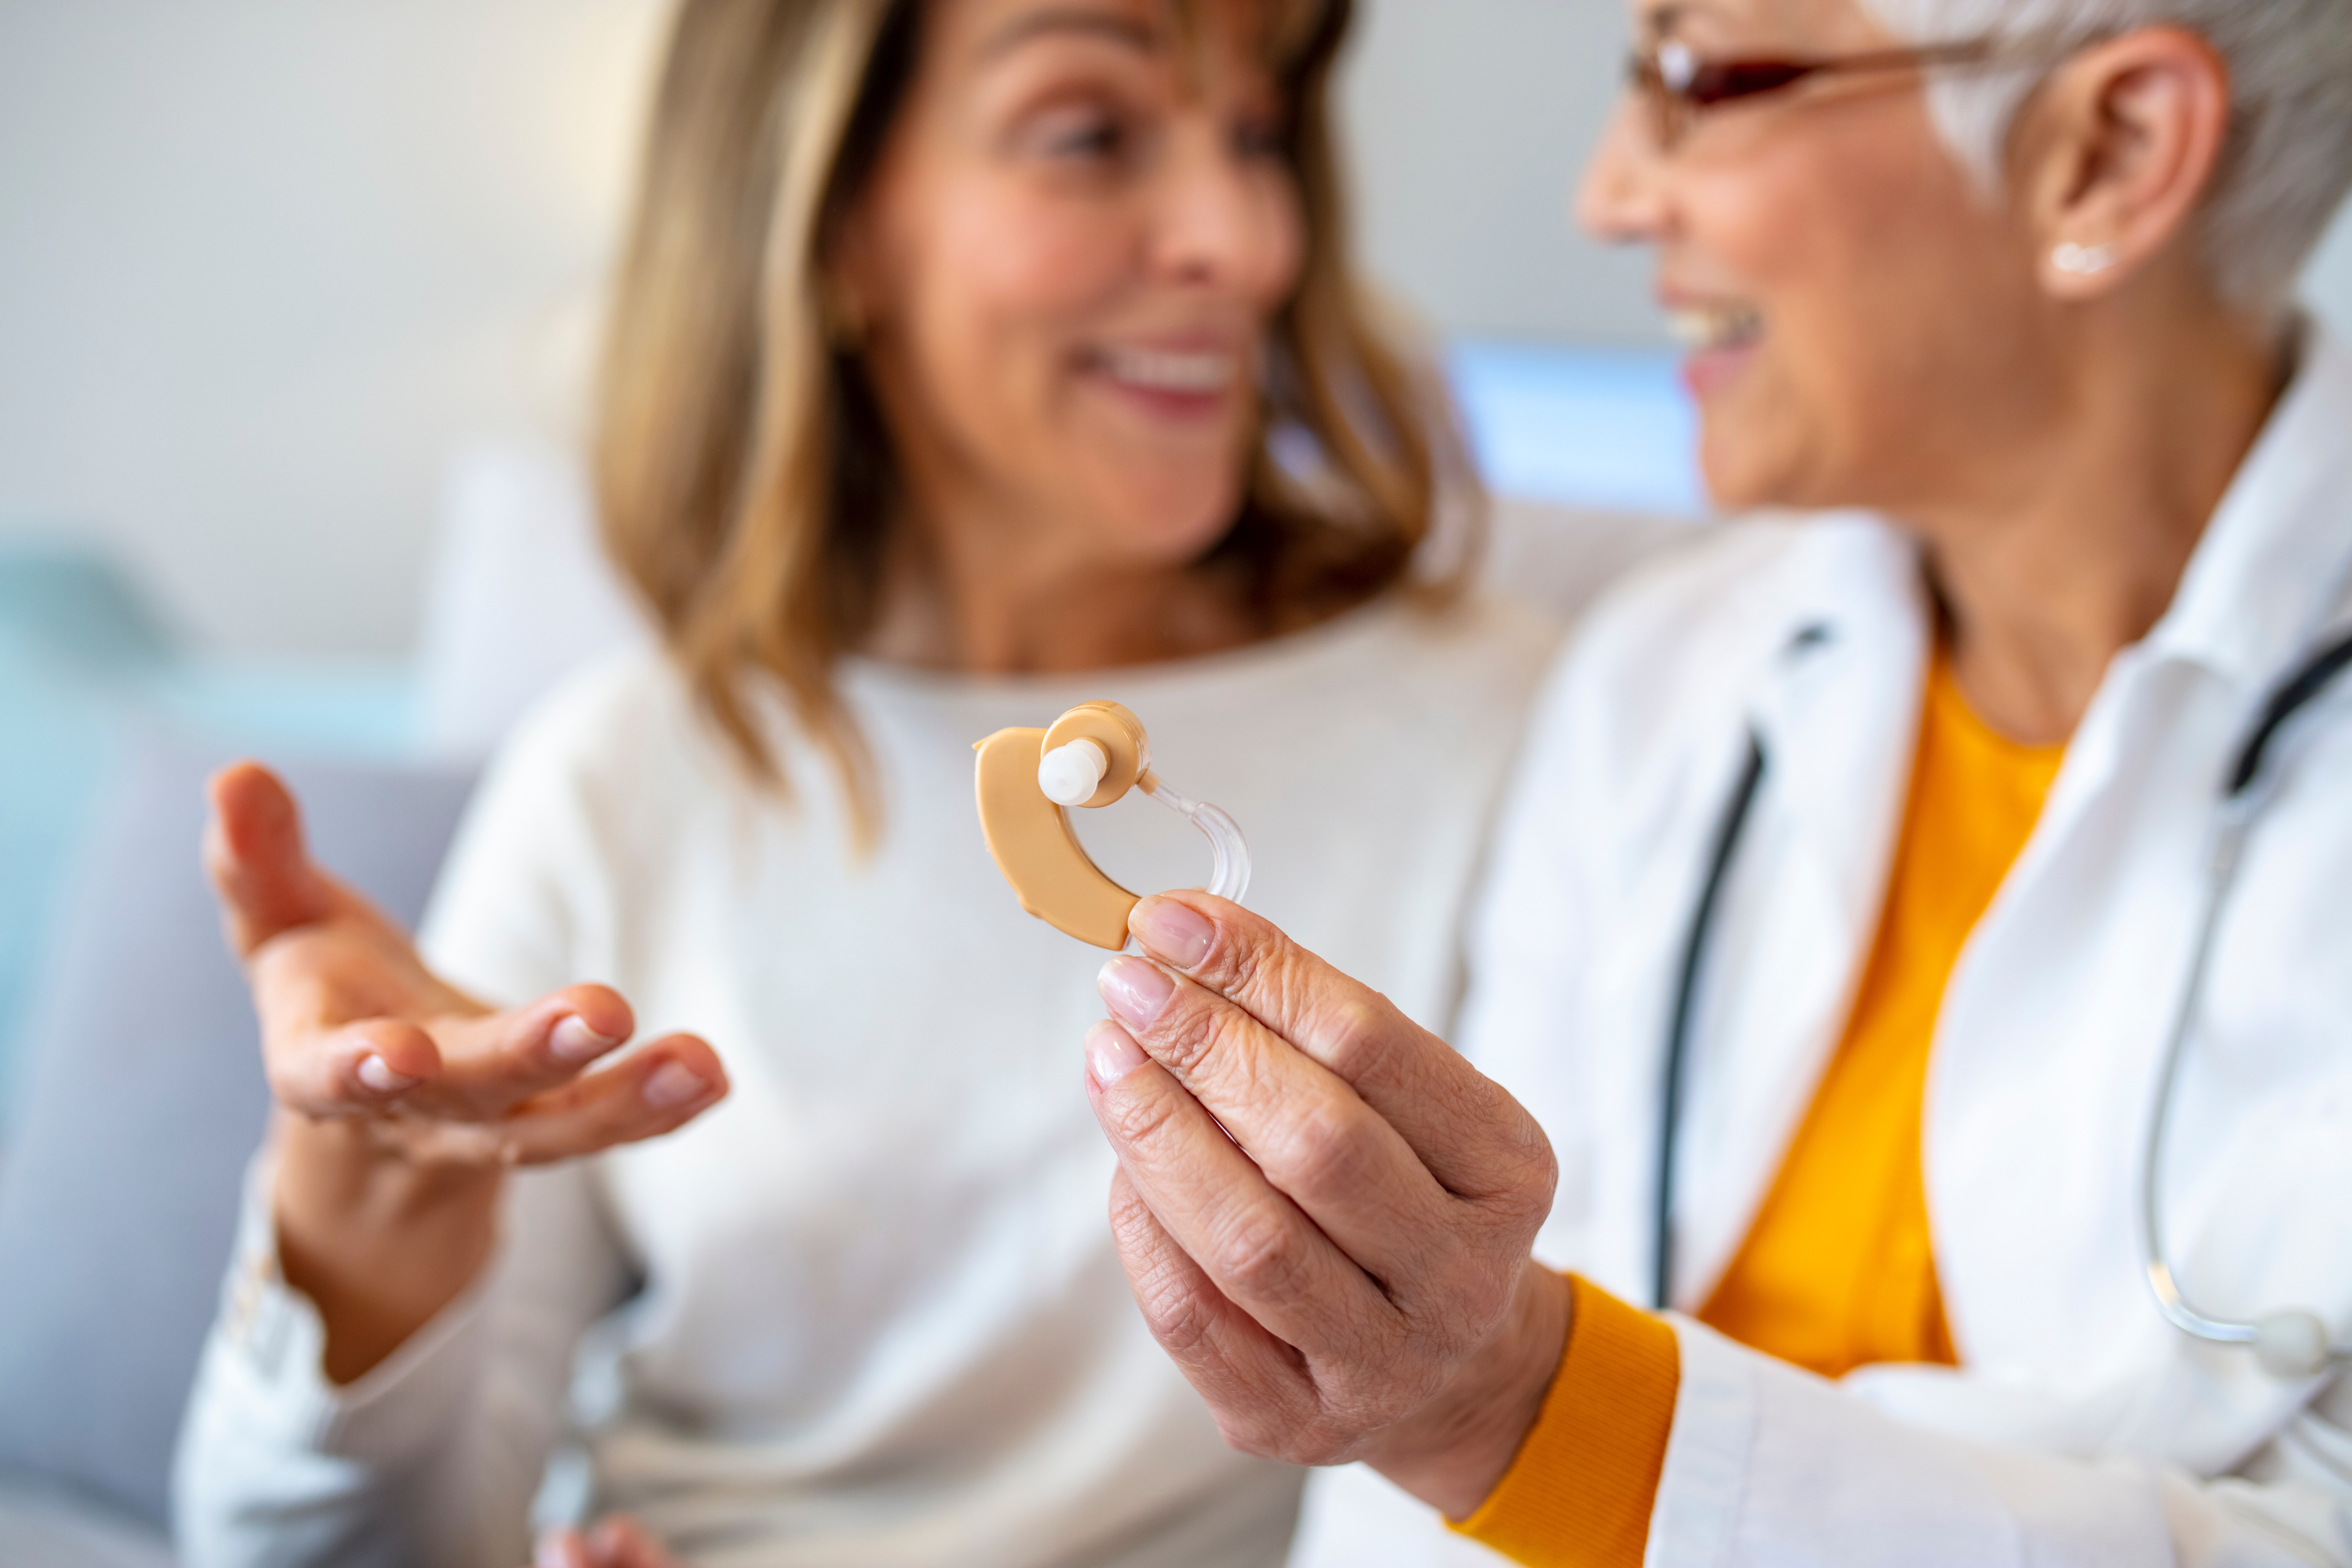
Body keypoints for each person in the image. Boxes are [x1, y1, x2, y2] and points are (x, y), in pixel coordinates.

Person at [171, 1, 1576, 1564]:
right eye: (1091, 134)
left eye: (1256, 139)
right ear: (835, 222)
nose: (1244, 242)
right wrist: (363, 1222)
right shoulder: (633, 771)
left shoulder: (1532, 730)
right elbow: (313, 1550)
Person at [1074, 0, 2352, 1563]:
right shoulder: (1672, 679)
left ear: (2109, 153)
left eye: (1706, 80)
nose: (1609, 195)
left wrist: (1518, 1412)